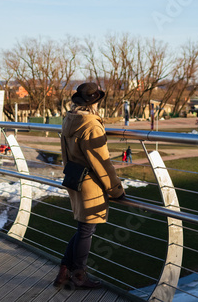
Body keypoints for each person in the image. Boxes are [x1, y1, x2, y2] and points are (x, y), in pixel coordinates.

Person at [54, 82, 125, 290]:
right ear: (94, 103)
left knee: (82, 229)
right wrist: (116, 190)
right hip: (90, 184)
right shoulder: (91, 125)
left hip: (74, 178)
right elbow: (102, 163)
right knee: (86, 230)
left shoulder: (70, 120)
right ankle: (78, 276)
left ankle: (64, 272)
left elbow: (66, 155)